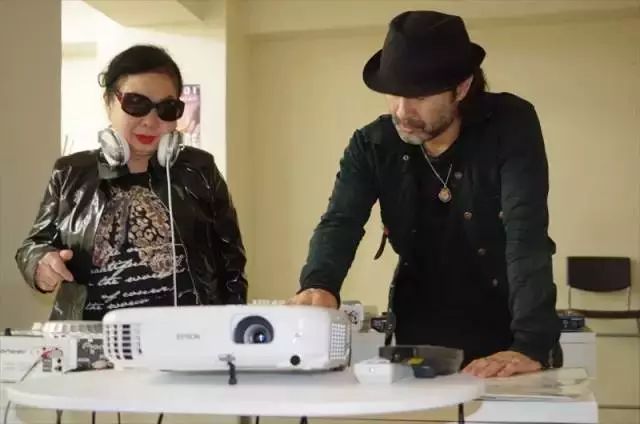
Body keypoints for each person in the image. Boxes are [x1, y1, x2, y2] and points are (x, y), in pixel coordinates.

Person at [289, 11, 561, 378]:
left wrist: (530, 344)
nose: (403, 112)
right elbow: (341, 222)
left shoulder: (510, 125)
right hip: (419, 335)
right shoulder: (373, 144)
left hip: (508, 329)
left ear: (461, 88)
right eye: (394, 94)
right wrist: (319, 285)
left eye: (418, 96)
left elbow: (525, 232)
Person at [16, 44, 247, 320]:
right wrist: (40, 264)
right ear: (109, 102)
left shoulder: (199, 170)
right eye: (136, 104)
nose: (150, 121)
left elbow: (232, 263)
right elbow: (35, 244)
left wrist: (232, 328)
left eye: (167, 108)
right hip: (94, 339)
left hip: (187, 337)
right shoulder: (71, 173)